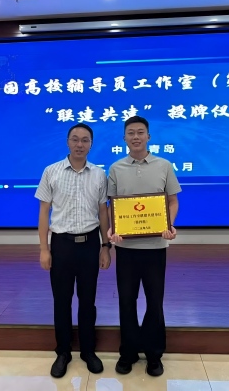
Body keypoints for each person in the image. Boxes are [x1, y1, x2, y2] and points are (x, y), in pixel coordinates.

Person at [35, 123, 112, 378]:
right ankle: (63, 352)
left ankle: (88, 351)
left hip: (90, 244)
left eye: (85, 140)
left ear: (91, 144)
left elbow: (103, 213)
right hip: (62, 245)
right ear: (68, 142)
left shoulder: (99, 174)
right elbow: (44, 212)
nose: (80, 144)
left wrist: (105, 246)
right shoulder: (51, 171)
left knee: (88, 301)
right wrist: (44, 249)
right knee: (62, 301)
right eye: (75, 139)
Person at [107, 116, 181, 377]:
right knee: (126, 301)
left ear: (149, 136)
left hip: (155, 246)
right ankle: (127, 353)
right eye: (131, 133)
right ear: (124, 138)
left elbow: (172, 201)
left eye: (140, 132)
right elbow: (112, 205)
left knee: (154, 302)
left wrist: (169, 224)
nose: (136, 137)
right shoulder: (116, 168)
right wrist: (113, 229)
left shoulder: (164, 165)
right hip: (126, 248)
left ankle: (153, 354)